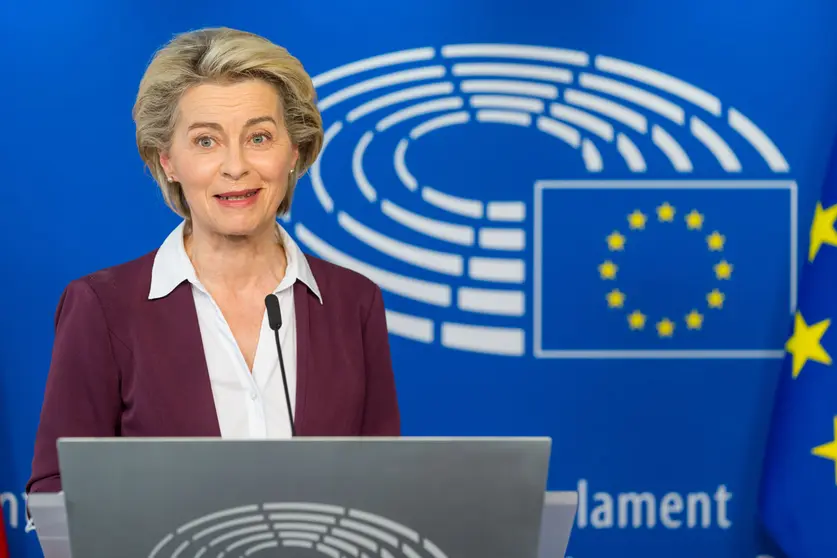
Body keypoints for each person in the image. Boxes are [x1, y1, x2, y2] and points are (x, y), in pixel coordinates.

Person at [27, 27, 400, 494]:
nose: (236, 166)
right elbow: (58, 492)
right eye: (206, 141)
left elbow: (385, 486)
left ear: (295, 151)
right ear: (168, 161)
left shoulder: (353, 302)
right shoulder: (101, 308)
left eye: (259, 137)